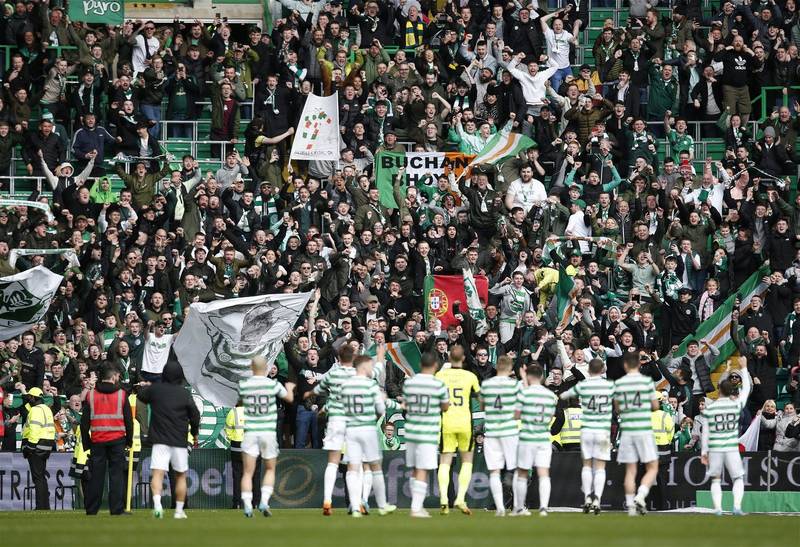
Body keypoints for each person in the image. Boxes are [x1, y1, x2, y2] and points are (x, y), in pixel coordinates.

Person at [137, 361, 200, 519]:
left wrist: (154, 384)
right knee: (180, 476)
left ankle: (158, 506)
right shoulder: (184, 393)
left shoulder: (156, 390)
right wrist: (195, 432)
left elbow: (141, 395)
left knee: (157, 474)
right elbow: (195, 415)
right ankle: (179, 510)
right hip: (179, 440)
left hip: (160, 440)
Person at [340, 354, 396, 517]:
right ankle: (373, 502)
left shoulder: (346, 385)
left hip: (351, 430)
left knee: (353, 468)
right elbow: (380, 410)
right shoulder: (371, 385)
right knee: (371, 467)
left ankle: (355, 505)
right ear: (363, 367)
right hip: (367, 429)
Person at [238, 356, 293, 517]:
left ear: (251, 367)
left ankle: (247, 505)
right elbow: (289, 398)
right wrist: (289, 387)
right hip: (268, 432)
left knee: (247, 472)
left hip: (250, 432)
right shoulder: (272, 384)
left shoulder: (244, 385)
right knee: (270, 468)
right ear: (267, 368)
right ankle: (264, 501)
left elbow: (240, 402)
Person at [560, 358, 614, 514]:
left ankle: (587, 499)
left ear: (589, 370)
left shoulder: (583, 385)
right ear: (602, 370)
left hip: (587, 430)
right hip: (603, 431)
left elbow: (565, 396)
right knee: (600, 467)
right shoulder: (609, 385)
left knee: (587, 465)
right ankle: (597, 498)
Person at [308, 344, 356, 515]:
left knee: (333, 462)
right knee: (352, 465)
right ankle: (354, 504)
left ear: (338, 359)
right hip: (352, 423)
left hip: (335, 421)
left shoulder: (333, 374)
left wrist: (324, 408)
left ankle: (327, 500)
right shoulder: (358, 376)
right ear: (353, 357)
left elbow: (321, 389)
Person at [80, 363, 134, 515]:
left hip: (97, 441)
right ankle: (116, 509)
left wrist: (87, 444)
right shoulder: (122, 395)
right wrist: (129, 441)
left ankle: (91, 509)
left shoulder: (91, 395)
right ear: (112, 377)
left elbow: (84, 424)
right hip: (117, 440)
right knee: (116, 476)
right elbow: (128, 421)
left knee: (96, 476)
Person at [401, 351, 449, 518]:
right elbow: (445, 406)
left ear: (420, 365)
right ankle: (416, 508)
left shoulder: (409, 383)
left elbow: (405, 404)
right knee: (422, 469)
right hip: (427, 431)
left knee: (416, 469)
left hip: (412, 430)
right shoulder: (439, 385)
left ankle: (417, 506)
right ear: (435, 365)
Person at [435, 345, 481, 515]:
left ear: (448, 358)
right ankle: (460, 498)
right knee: (467, 460)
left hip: (446, 422)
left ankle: (444, 500)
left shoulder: (439, 376)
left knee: (445, 461)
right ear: (463, 359)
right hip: (464, 424)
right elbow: (480, 398)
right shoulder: (470, 376)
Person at [614, 353, 660, 516]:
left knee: (630, 471)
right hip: (644, 429)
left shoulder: (619, 383)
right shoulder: (646, 382)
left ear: (626, 365)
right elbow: (655, 406)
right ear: (639, 365)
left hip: (627, 430)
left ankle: (631, 508)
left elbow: (618, 408)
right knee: (652, 467)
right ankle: (640, 495)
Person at [513, 363, 558, 517]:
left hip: (527, 437)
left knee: (522, 473)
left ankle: (519, 508)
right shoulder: (551, 395)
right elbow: (551, 417)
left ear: (529, 376)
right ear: (541, 377)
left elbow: (516, 415)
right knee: (544, 473)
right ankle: (544, 508)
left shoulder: (524, 394)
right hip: (544, 438)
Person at [701, 377, 750, 515]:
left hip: (715, 447)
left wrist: (704, 452)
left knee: (716, 478)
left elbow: (706, 432)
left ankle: (718, 508)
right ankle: (737, 507)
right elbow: (746, 390)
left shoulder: (710, 408)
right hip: (731, 446)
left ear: (719, 390)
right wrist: (745, 369)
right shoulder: (735, 405)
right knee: (738, 478)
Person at [479, 355, 520, 516]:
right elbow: (519, 411)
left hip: (492, 431)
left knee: (494, 471)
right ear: (510, 369)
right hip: (509, 430)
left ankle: (500, 508)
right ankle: (517, 506)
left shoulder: (487, 385)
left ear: (497, 367)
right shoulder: (514, 385)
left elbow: (482, 405)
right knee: (515, 469)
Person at [20, 386, 56, 510]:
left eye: (30, 397)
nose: (28, 399)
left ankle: (41, 506)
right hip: (47, 445)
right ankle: (45, 505)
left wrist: (30, 447)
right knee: (41, 476)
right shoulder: (46, 409)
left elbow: (34, 430)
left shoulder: (35, 410)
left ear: (33, 398)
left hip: (37, 445)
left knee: (38, 477)